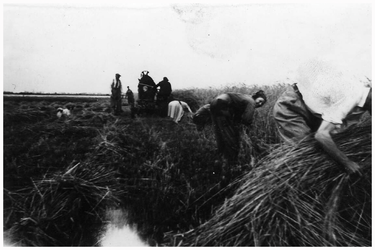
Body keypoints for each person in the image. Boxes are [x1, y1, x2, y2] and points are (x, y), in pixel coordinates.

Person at [273, 59, 372, 174]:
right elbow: (321, 135)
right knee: (305, 153)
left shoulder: (364, 92)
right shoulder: (351, 97)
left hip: (313, 107)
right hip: (292, 107)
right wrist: (347, 163)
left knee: (325, 151)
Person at [194, 91, 267, 165]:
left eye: (262, 103)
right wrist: (248, 128)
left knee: (220, 134)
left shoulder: (244, 97)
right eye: (260, 101)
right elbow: (247, 119)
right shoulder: (251, 102)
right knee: (232, 139)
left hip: (215, 104)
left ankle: (221, 157)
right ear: (256, 97)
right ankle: (232, 163)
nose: (260, 104)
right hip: (222, 105)